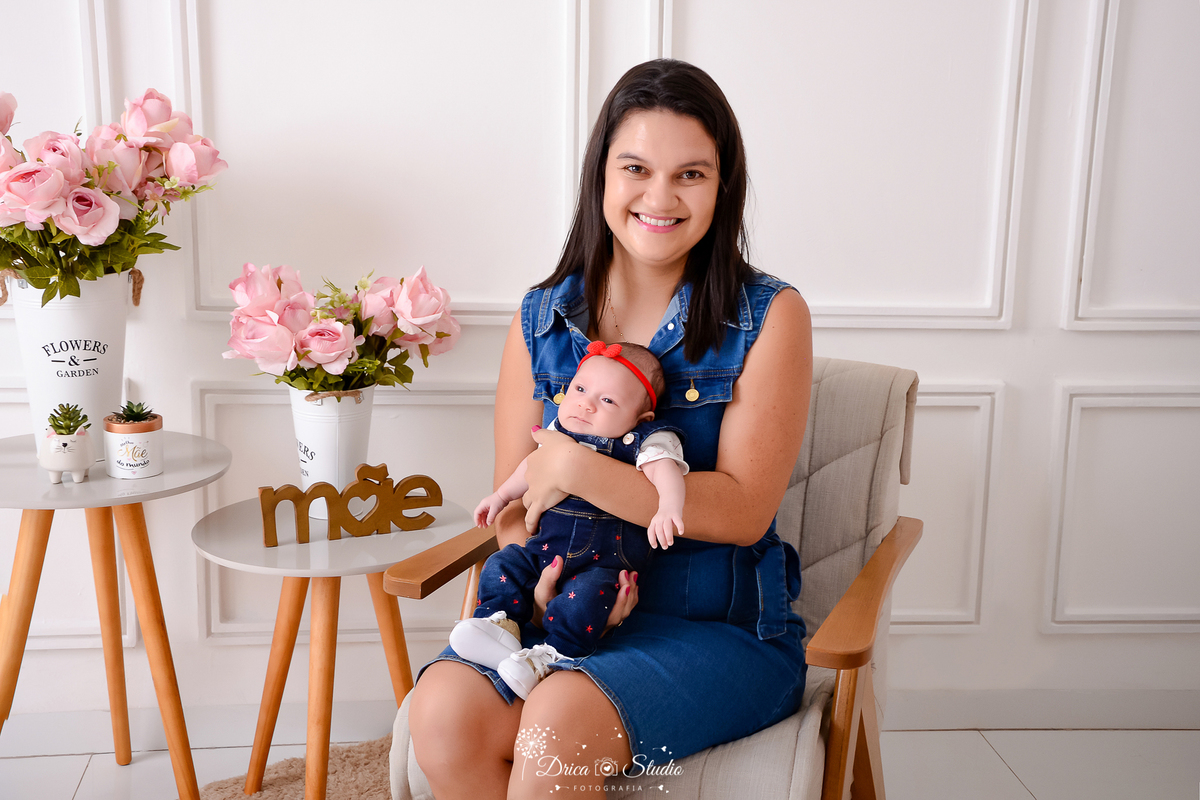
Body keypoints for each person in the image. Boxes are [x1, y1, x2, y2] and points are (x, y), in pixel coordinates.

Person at [408, 58, 813, 800]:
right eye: (637, 168)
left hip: (717, 629)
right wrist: (541, 589)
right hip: (568, 612)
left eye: (691, 173)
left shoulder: (769, 316)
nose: (660, 196)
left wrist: (577, 470)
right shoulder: (538, 318)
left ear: (724, 187)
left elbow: (745, 508)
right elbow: (512, 512)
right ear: (602, 175)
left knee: (556, 723)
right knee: (439, 715)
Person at [451, 341, 687, 699]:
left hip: (601, 566)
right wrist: (500, 496)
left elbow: (666, 472)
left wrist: (669, 506)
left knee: (586, 599)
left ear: (642, 418)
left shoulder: (644, 441)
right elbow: (528, 469)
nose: (586, 403)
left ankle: (551, 655)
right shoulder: (559, 434)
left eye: (607, 401)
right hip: (545, 552)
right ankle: (498, 624)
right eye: (579, 389)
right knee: (504, 563)